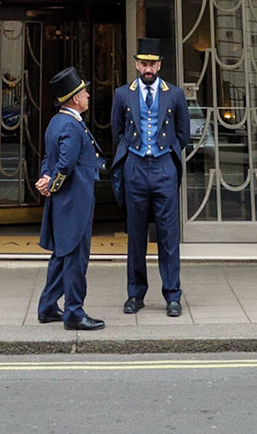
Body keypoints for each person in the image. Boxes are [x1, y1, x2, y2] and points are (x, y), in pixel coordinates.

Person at [110, 37, 190, 317]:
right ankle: (135, 294)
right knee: (136, 236)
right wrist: (135, 150)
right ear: (136, 64)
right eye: (143, 63)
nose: (148, 68)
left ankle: (173, 295)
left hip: (163, 166)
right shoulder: (123, 94)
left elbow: (183, 133)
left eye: (152, 64)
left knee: (168, 235)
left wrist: (164, 152)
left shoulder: (175, 94)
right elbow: (117, 131)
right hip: (135, 166)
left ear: (159, 65)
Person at [35, 64, 105, 331]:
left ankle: (47, 306)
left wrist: (46, 178)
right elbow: (64, 164)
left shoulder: (57, 122)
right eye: (84, 92)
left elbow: (49, 158)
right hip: (74, 202)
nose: (88, 95)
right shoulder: (72, 126)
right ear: (75, 98)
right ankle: (74, 312)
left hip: (63, 203)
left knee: (61, 256)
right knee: (75, 258)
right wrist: (52, 184)